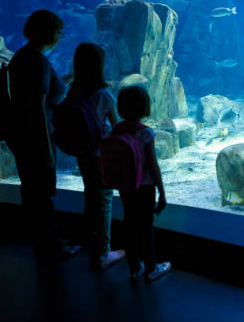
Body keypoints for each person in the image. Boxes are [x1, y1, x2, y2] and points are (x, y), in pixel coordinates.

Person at [7, 9, 80, 263]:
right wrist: (45, 147)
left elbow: (48, 92)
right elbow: (36, 105)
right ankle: (50, 247)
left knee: (34, 191)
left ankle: (47, 241)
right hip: (35, 136)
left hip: (23, 134)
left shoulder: (23, 56)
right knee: (41, 192)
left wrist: (70, 78)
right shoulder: (35, 61)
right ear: (48, 32)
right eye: (59, 31)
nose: (61, 36)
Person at [68, 42, 126, 271]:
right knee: (103, 200)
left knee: (90, 195)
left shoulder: (72, 92)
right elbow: (117, 127)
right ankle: (102, 253)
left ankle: (90, 241)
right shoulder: (104, 95)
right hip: (101, 155)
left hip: (82, 154)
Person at [113, 86, 171, 283]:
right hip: (145, 188)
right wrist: (162, 193)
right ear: (146, 107)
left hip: (125, 187)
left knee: (130, 226)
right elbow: (153, 166)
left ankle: (134, 269)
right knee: (146, 228)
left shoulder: (117, 130)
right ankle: (151, 269)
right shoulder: (146, 133)